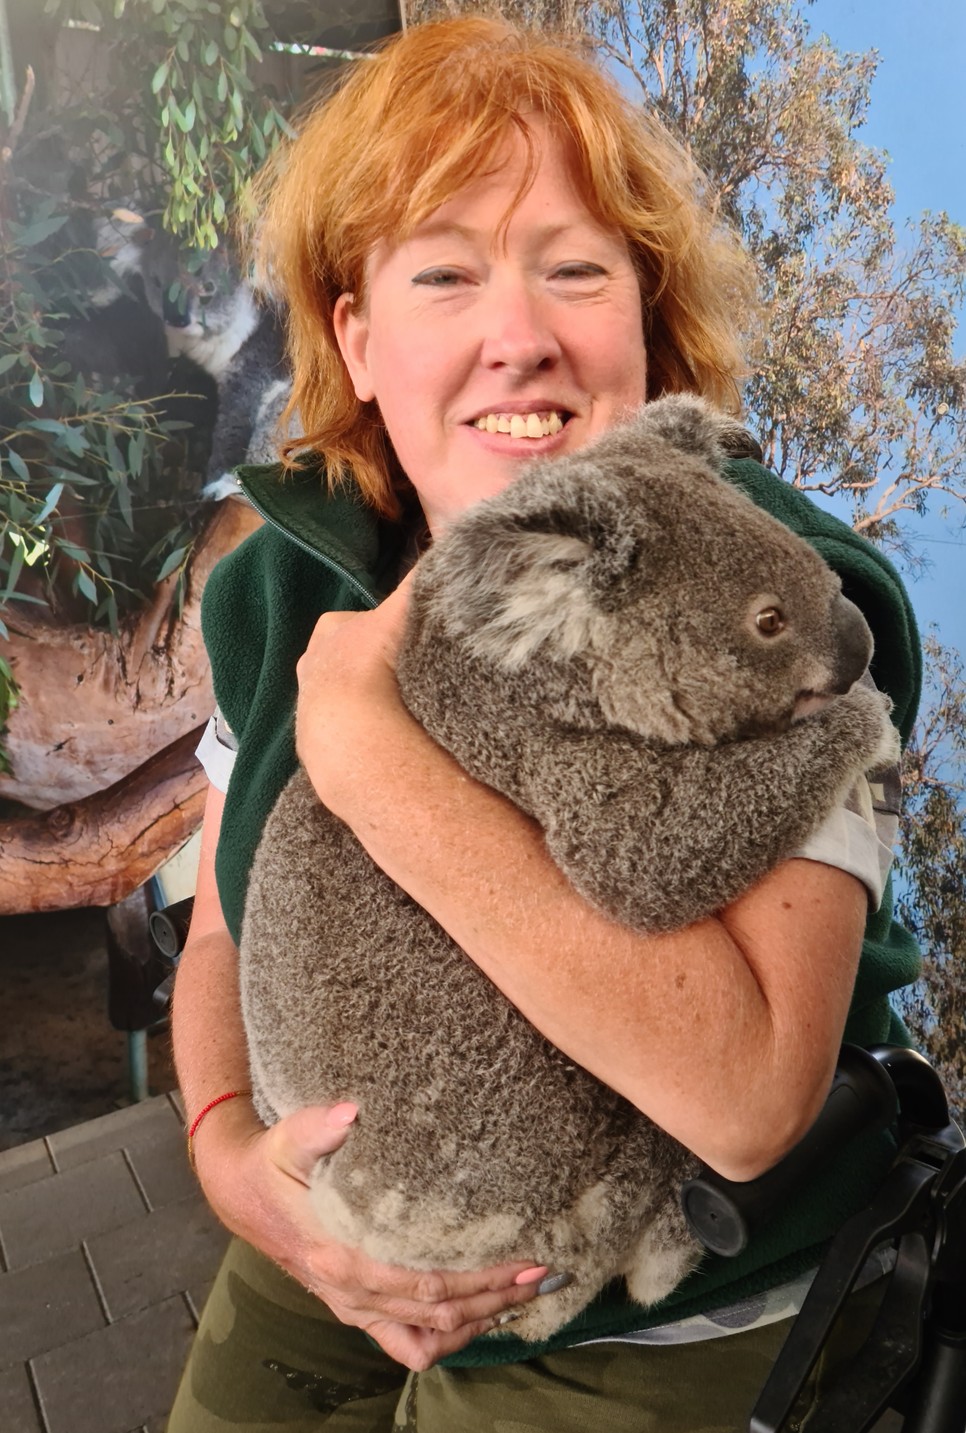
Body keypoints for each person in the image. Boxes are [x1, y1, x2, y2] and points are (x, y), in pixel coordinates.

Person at [168, 15, 921, 1431]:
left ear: (645, 321)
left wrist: (367, 751)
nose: (515, 335)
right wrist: (225, 1155)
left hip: (654, 1313)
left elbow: (747, 1094)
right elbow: (217, 927)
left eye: (573, 270)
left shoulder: (765, 594)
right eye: (443, 272)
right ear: (358, 335)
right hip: (315, 1220)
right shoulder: (283, 581)